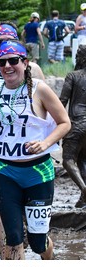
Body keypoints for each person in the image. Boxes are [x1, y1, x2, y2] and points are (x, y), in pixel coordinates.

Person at [0, 40, 71, 260]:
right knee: (13, 237)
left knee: (37, 242)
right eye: (2, 62)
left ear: (25, 63)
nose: (7, 66)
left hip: (38, 174)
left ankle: (50, 263)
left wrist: (44, 144)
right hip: (4, 171)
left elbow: (64, 122)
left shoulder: (39, 89)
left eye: (13, 61)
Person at [60, 44, 86, 208]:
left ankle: (84, 189)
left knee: (68, 160)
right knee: (82, 159)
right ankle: (83, 198)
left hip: (77, 123)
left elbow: (61, 101)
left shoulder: (73, 76)